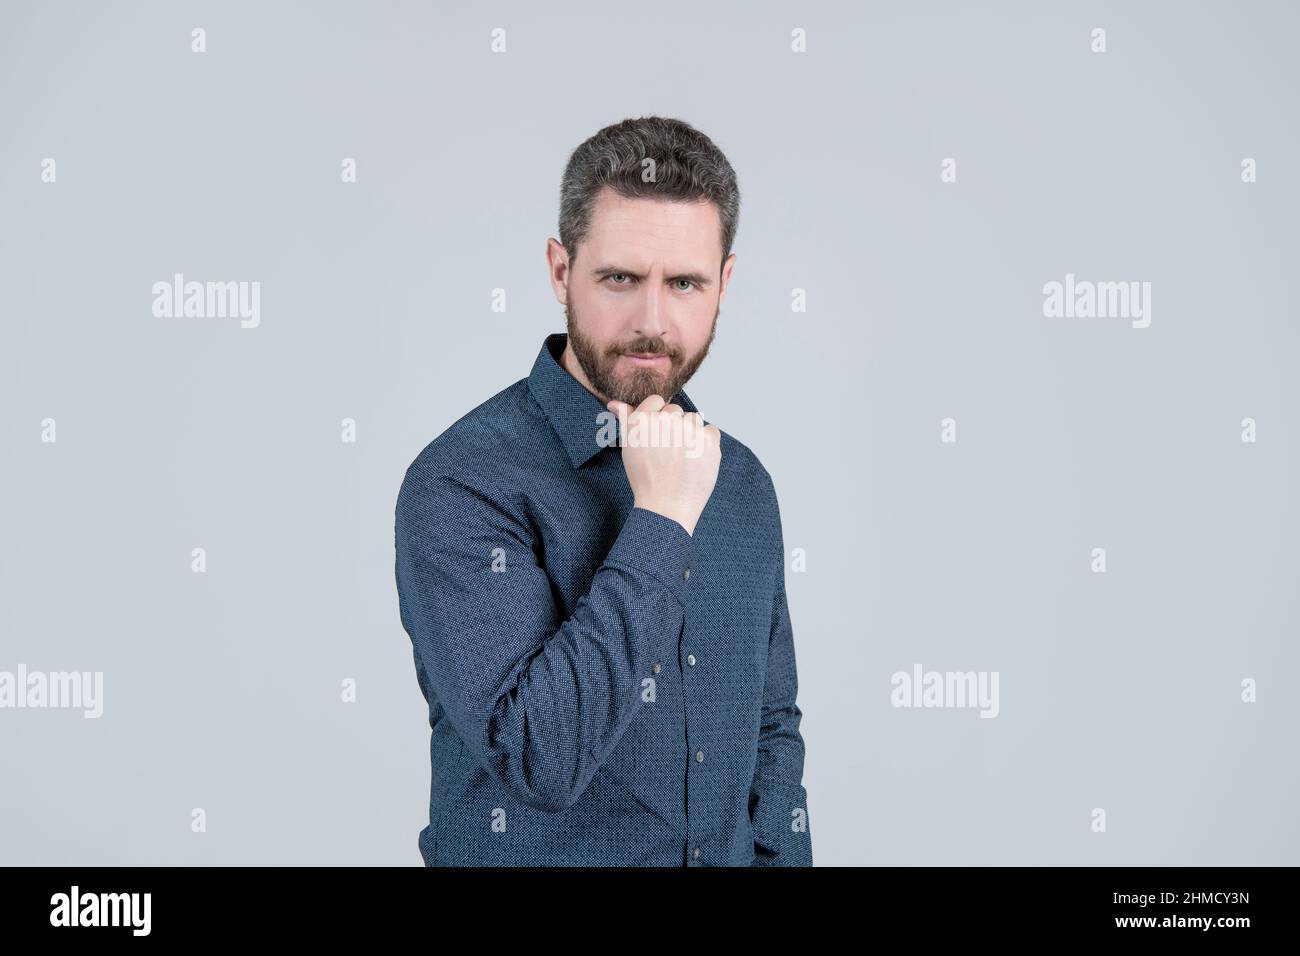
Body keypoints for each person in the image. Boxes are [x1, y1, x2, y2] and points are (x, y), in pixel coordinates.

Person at [394, 116, 812, 866]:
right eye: (620, 278)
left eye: (684, 282)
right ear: (560, 272)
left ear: (724, 283)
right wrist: (662, 519)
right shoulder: (461, 482)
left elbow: (770, 730)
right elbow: (538, 759)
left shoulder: (743, 482)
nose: (651, 322)